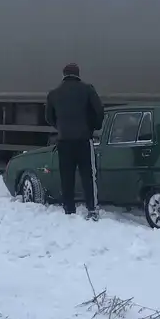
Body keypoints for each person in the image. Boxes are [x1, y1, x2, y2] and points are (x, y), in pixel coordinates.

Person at [44, 62, 105, 220]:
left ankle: (69, 210)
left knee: (66, 176)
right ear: (78, 74)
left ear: (63, 75)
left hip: (64, 141)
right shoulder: (87, 90)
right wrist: (93, 127)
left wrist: (60, 127)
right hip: (84, 140)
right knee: (88, 175)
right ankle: (91, 209)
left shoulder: (54, 94)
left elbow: (49, 117)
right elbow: (99, 111)